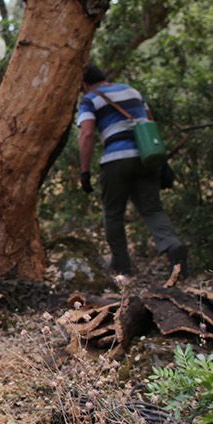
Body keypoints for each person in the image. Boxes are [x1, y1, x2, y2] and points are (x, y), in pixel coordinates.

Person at [76, 63, 188, 287]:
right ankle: (172, 246)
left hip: (115, 160)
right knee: (152, 208)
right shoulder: (132, 91)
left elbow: (87, 133)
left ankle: (122, 266)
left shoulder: (89, 99)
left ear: (84, 83)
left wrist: (84, 171)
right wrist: (163, 163)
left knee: (113, 213)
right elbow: (150, 123)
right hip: (147, 157)